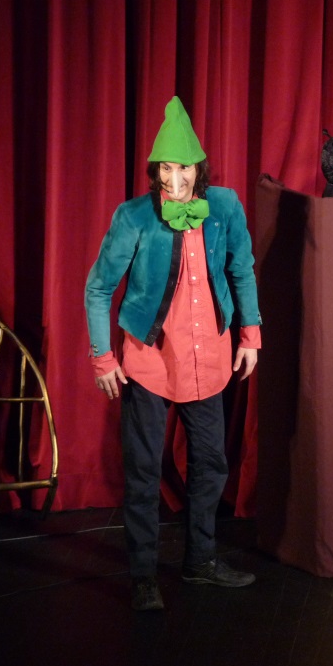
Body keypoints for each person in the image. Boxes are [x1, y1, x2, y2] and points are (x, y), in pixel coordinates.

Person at [85, 96, 261, 611]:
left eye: (183, 167)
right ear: (155, 171)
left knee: (210, 463)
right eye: (165, 168)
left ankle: (200, 561)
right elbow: (99, 287)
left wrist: (250, 335)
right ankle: (143, 576)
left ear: (199, 168)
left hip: (209, 360)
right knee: (143, 472)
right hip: (149, 361)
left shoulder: (224, 206)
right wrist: (103, 357)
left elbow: (241, 270)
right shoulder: (134, 216)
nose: (175, 179)